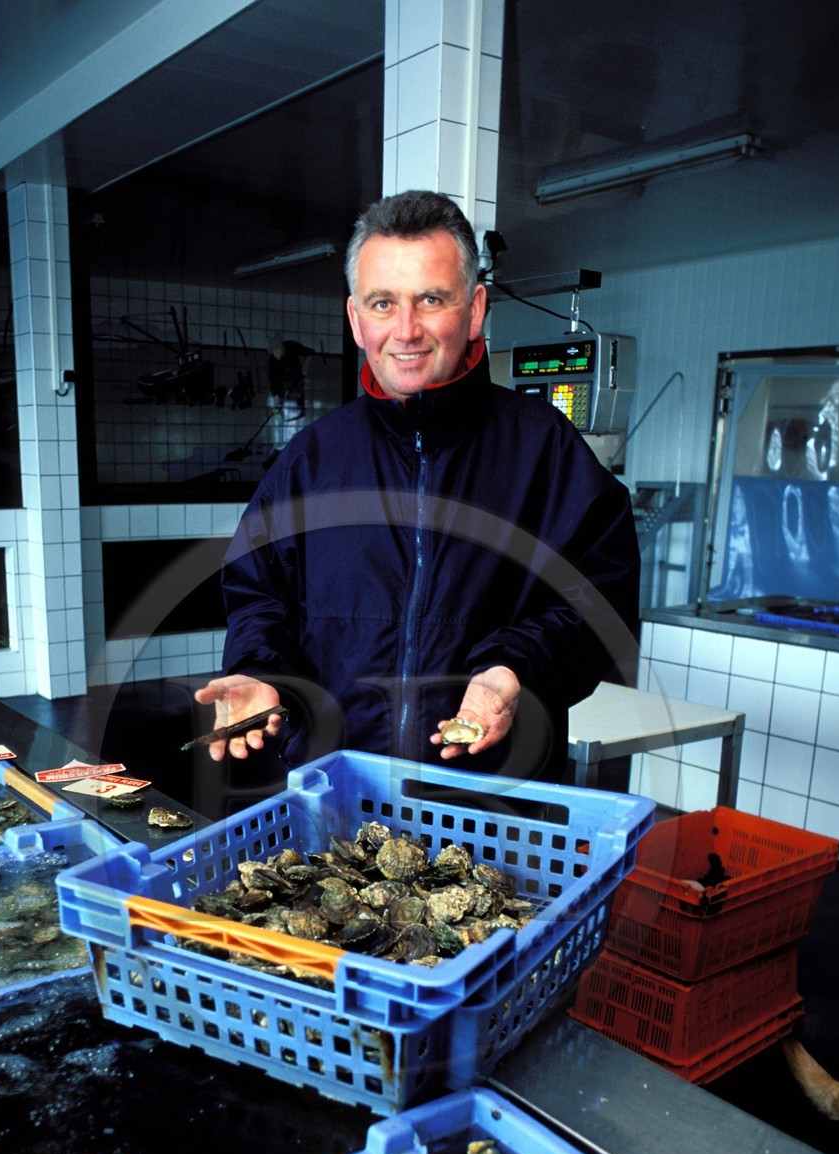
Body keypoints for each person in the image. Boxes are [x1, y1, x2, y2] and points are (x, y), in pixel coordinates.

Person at [195, 190, 639, 779]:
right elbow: (259, 595)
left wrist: (514, 669)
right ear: (355, 319)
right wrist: (257, 669)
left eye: (431, 299)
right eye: (382, 303)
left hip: (494, 803)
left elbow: (599, 599)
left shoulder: (545, 450)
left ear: (475, 309)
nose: (405, 330)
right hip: (339, 798)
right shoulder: (312, 459)